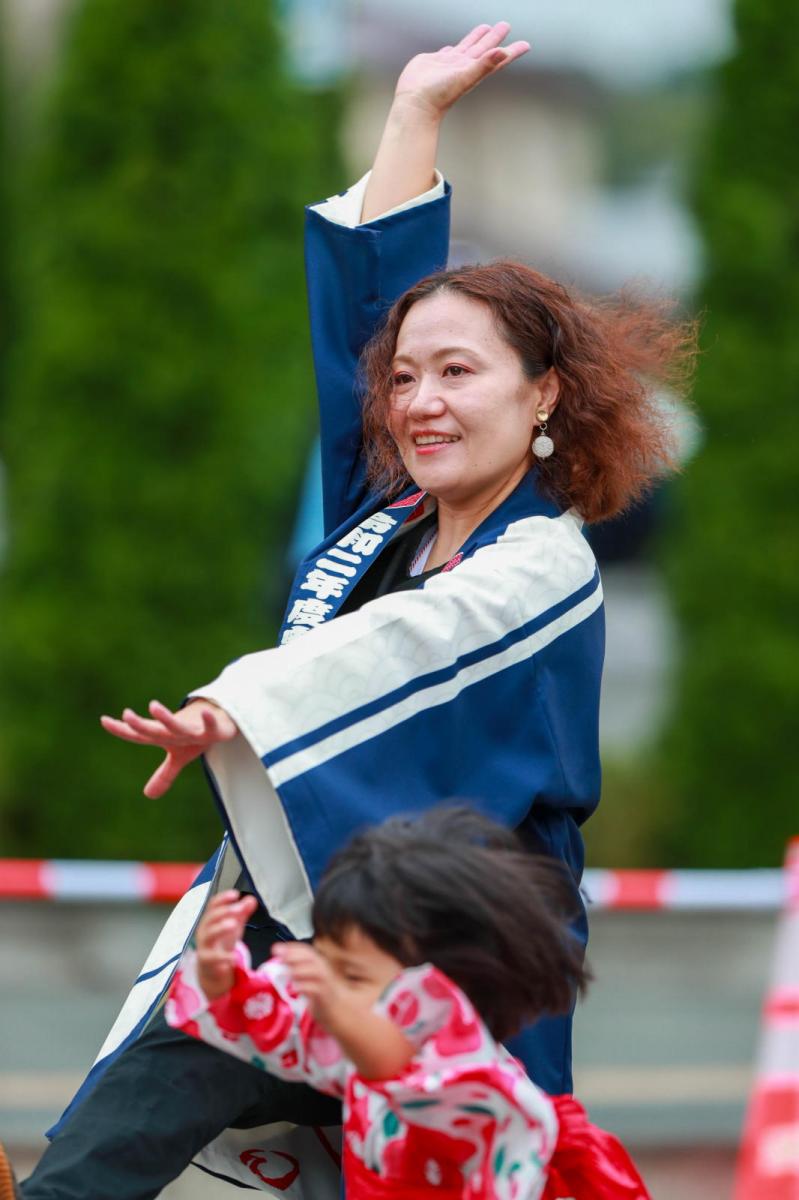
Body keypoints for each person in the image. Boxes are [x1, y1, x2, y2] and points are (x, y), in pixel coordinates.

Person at [12, 19, 695, 1199]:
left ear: (544, 396)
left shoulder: (543, 562)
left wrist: (242, 701)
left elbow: (409, 645)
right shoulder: (379, 519)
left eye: (460, 372)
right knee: (91, 1167)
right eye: (406, 379)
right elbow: (364, 319)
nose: (420, 399)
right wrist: (412, 118)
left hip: (450, 960)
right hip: (291, 930)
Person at [166, 807, 651, 1199]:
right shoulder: (361, 1035)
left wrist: (335, 1005)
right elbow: (289, 1032)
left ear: (438, 978)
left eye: (352, 974)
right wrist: (223, 980)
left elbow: (404, 1071)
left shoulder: (471, 1068)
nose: (330, 987)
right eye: (327, 962)